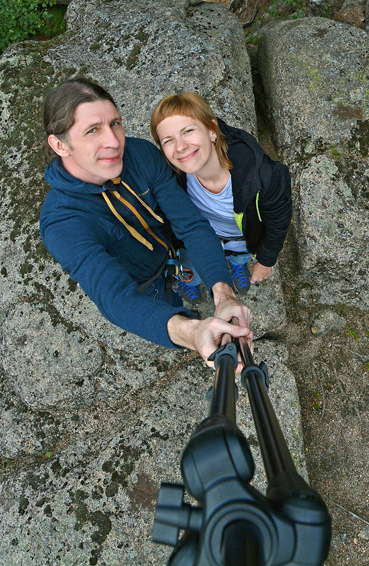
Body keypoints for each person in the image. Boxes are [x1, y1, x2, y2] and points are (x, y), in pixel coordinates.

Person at [38, 79, 252, 366]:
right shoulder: (62, 221)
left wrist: (223, 294)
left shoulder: (139, 155)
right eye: (92, 130)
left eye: (115, 123)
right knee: (166, 311)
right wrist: (192, 333)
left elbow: (190, 225)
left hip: (170, 251)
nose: (114, 142)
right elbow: (116, 299)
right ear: (59, 145)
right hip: (143, 283)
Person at [150, 91, 292, 301]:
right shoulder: (169, 176)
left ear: (212, 130)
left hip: (242, 240)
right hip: (195, 240)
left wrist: (265, 261)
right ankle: (191, 282)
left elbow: (278, 222)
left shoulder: (265, 176)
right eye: (168, 140)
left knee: (239, 255)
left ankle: (236, 265)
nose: (180, 147)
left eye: (188, 131)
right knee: (190, 264)